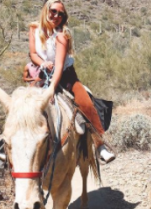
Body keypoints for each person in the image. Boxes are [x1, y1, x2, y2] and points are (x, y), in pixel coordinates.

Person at [27, 0, 115, 163]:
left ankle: (99, 144)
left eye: (61, 14)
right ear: (46, 10)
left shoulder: (62, 35)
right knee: (21, 101)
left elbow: (59, 65)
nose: (56, 16)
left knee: (86, 102)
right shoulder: (34, 29)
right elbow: (33, 53)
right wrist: (42, 63)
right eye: (53, 11)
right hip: (42, 72)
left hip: (65, 75)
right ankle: (6, 146)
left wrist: (52, 88)